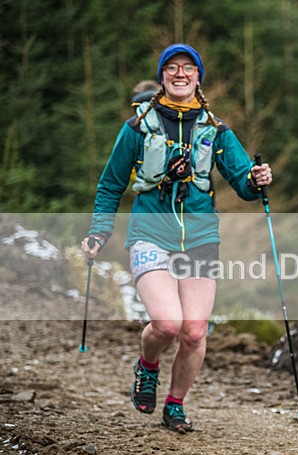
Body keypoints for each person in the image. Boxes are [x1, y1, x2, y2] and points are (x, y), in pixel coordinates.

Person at [81, 44, 273, 433]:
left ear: (198, 77)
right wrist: (99, 232)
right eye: (172, 68)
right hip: (150, 234)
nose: (180, 73)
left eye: (188, 68)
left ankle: (175, 405)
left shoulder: (215, 129)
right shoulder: (138, 127)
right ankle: (147, 365)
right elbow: (110, 184)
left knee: (195, 331)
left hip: (201, 238)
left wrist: (256, 180)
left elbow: (242, 183)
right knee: (167, 324)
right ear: (163, 76)